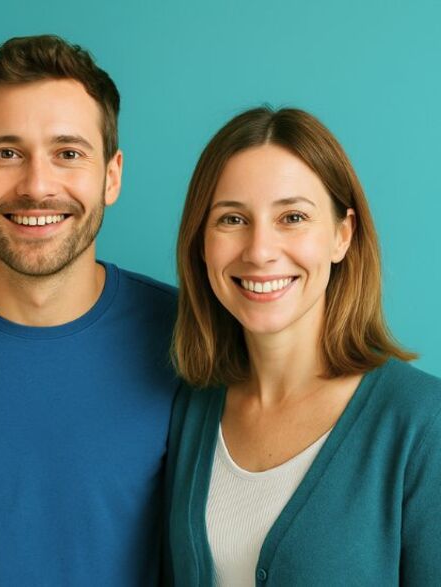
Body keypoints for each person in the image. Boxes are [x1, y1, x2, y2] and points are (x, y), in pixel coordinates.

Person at [0, 35, 179, 585]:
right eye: (6, 154)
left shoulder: (187, 336)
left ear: (112, 174)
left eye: (68, 153)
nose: (36, 185)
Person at [165, 107, 441, 585]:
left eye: (292, 217)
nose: (259, 250)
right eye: (232, 219)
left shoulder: (422, 424)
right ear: (201, 242)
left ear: (342, 235)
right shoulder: (190, 407)